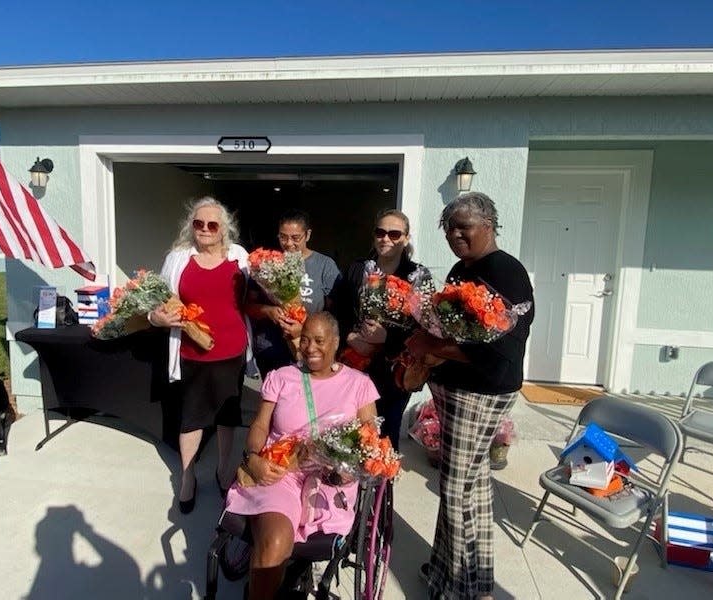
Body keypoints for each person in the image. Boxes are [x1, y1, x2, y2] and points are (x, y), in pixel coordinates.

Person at [404, 192, 534, 600]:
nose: (456, 235)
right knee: (470, 486)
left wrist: (433, 349)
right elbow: (449, 326)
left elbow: (497, 346)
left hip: (481, 391)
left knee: (456, 489)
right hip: (456, 390)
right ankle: (460, 577)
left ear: (489, 226)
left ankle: (458, 588)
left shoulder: (506, 271)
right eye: (450, 228)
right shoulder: (464, 269)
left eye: (465, 227)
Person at [224, 312, 379, 599]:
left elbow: (370, 443)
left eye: (319, 340)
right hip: (280, 472)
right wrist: (253, 457)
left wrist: (349, 468)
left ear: (335, 342)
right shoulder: (282, 377)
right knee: (276, 540)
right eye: (305, 339)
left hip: (328, 482)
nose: (310, 348)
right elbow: (259, 425)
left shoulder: (359, 384)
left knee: (281, 544)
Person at [148, 196, 252, 514]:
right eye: (198, 223)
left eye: (212, 224)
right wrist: (158, 318)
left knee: (226, 416)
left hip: (232, 349)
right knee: (191, 418)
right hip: (192, 351)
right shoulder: (179, 257)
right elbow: (156, 302)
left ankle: (223, 471)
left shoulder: (239, 257)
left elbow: (251, 300)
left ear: (224, 229)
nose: (204, 229)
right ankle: (188, 477)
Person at [336, 208, 430, 450]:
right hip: (356, 362)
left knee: (386, 435)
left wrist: (388, 337)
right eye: (380, 232)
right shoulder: (358, 269)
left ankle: (382, 486)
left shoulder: (417, 276)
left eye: (394, 234)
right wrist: (351, 336)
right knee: (353, 431)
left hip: (395, 370)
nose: (385, 238)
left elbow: (426, 327)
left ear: (406, 238)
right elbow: (338, 309)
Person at [246, 209, 341, 377]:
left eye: (296, 238)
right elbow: (248, 305)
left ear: (308, 235)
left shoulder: (324, 265)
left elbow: (334, 313)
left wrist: (304, 326)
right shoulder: (267, 263)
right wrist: (269, 311)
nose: (289, 243)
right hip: (271, 348)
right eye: (283, 237)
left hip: (311, 350)